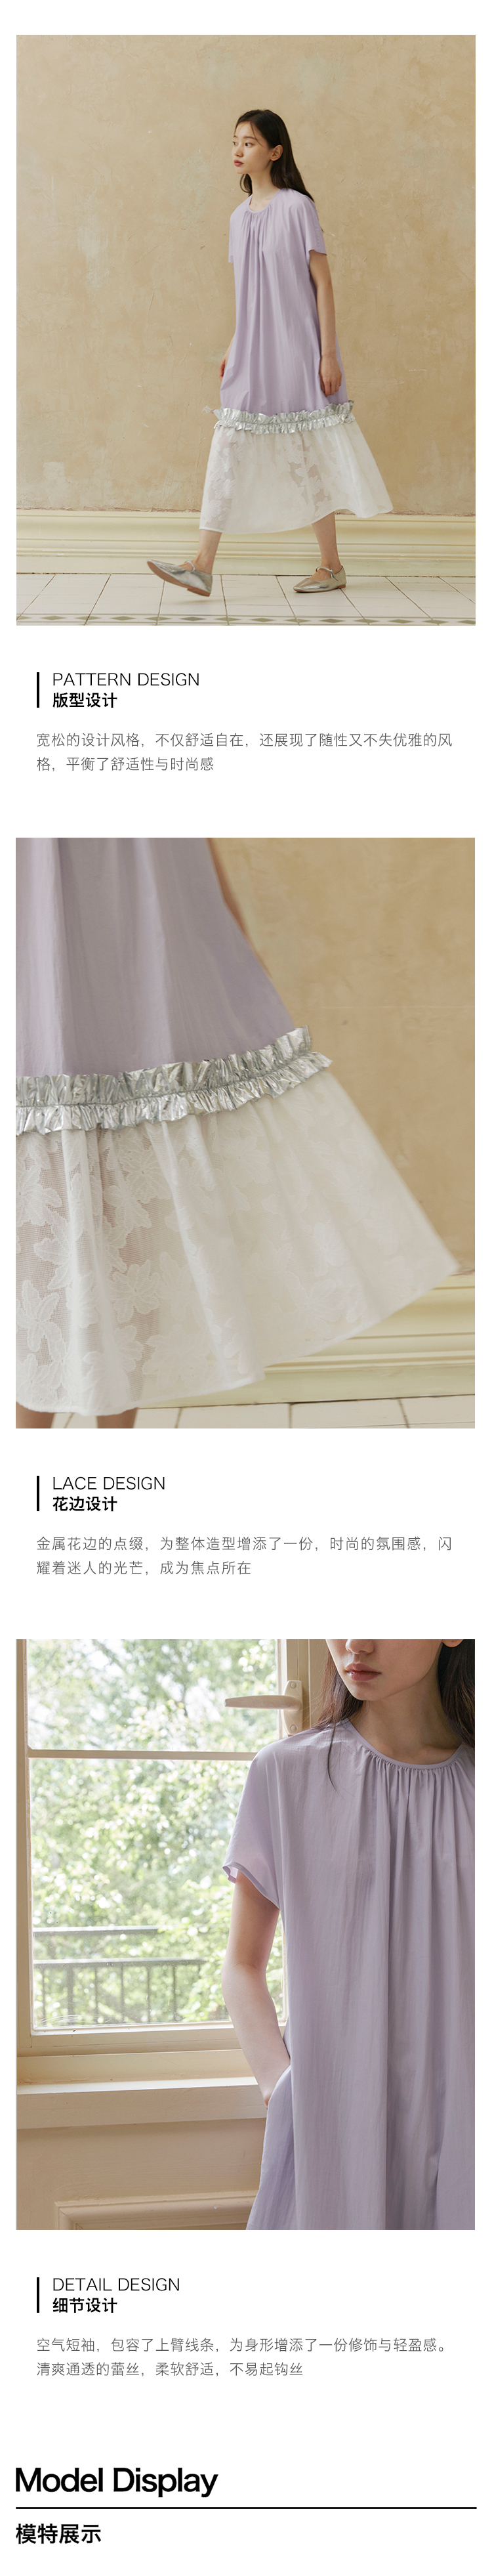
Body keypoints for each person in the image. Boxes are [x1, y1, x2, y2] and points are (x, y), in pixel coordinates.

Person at [16, 840, 455, 1425]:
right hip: (38, 892)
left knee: (137, 1192)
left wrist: (227, 933)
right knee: (45, 1187)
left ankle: (108, 1454)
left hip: (146, 894)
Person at [222, 1639, 475, 2229]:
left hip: (467, 2125)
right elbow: (242, 1964)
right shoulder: (286, 1774)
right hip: (336, 2131)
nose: (356, 1641)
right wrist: (283, 2086)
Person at [148, 110, 391, 601]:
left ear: (275, 152)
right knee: (230, 444)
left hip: (300, 347)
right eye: (235, 141)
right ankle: (201, 565)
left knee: (309, 448)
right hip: (253, 348)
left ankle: (331, 566)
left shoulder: (298, 208)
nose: (239, 150)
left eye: (251, 142)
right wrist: (236, 342)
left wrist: (328, 355)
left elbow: (322, 285)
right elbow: (250, 291)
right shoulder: (238, 218)